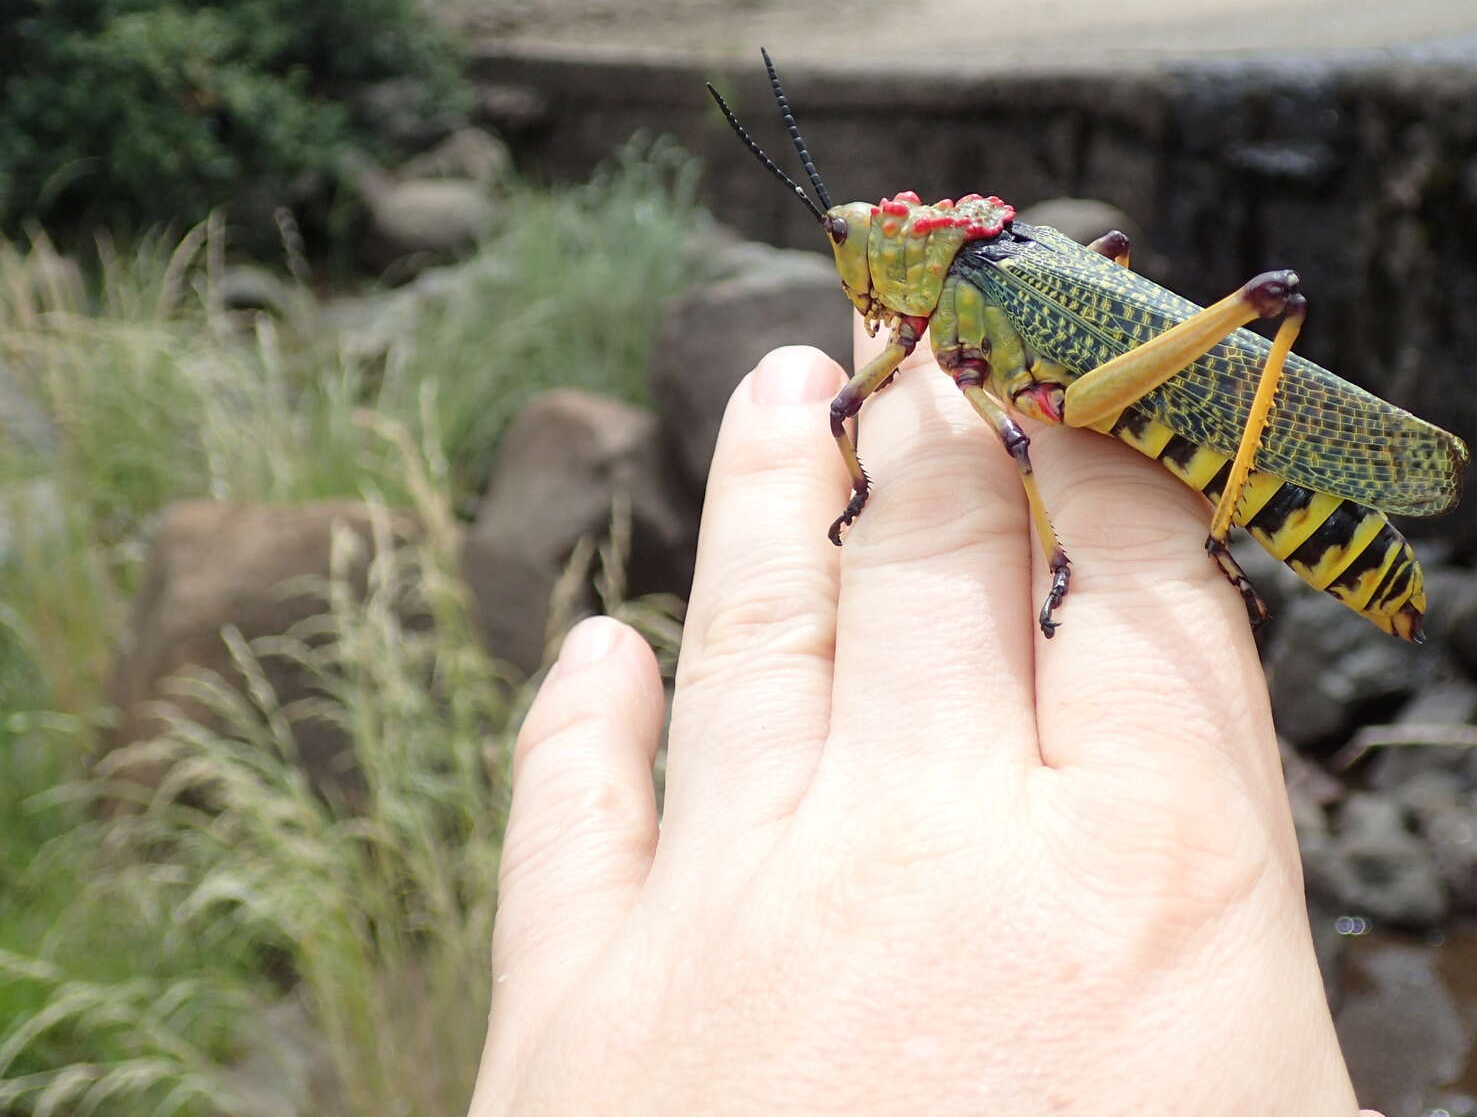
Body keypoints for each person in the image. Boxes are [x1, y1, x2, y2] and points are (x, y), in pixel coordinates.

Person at [469, 329, 1382, 1117]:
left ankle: (1219, 534)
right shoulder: (937, 309)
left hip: (1221, 453)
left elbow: (1009, 442)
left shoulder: (961, 293)